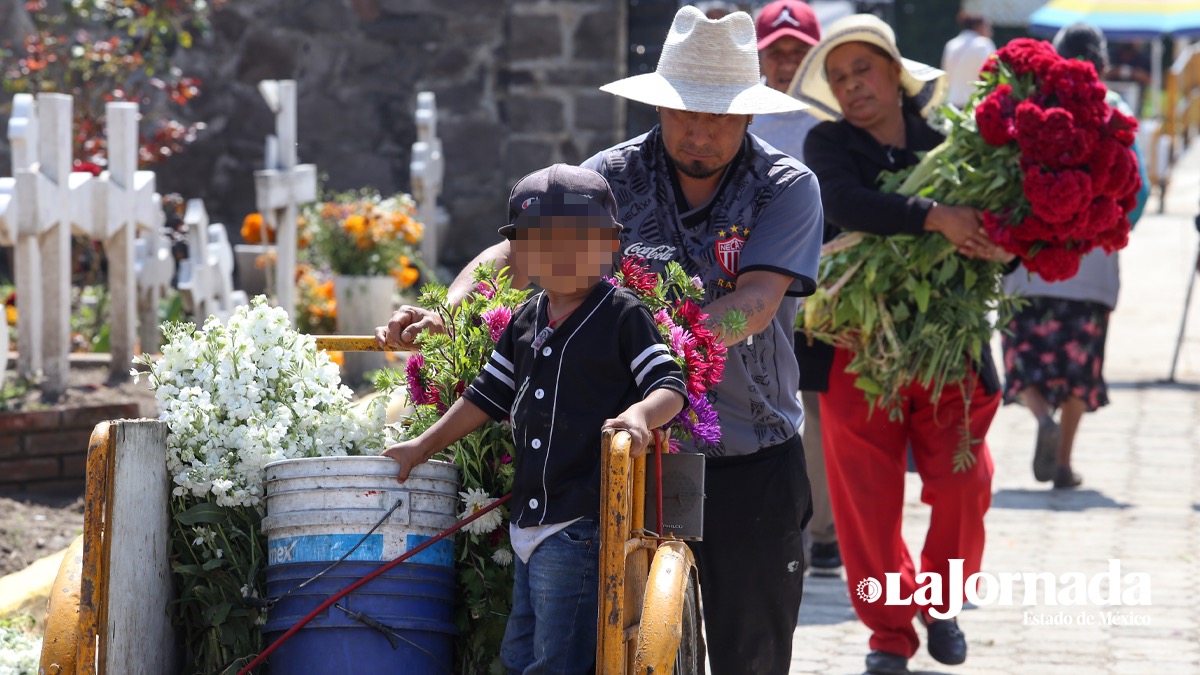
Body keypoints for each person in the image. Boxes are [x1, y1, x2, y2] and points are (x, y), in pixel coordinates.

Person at [378, 7, 825, 673]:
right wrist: (451, 311)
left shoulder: (786, 187)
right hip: (611, 459)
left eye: (719, 117)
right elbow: (512, 256)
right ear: (658, 108)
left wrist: (671, 347)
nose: (699, 133)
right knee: (603, 642)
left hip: (745, 449)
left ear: (750, 117)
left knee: (751, 649)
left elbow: (756, 303)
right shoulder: (609, 179)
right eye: (683, 114)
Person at [382, 164, 688, 674]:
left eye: (578, 240)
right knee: (520, 654)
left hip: (580, 521)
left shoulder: (622, 315)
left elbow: (669, 386)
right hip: (530, 518)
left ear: (609, 245)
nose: (560, 255)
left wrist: (638, 415)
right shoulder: (527, 318)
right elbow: (486, 395)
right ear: (520, 254)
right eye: (541, 242)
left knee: (557, 661)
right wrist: (421, 447)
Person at [791, 14, 1014, 675]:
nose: (852, 86)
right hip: (857, 345)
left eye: (863, 70)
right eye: (838, 78)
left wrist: (998, 243)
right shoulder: (827, 143)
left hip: (947, 342)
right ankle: (890, 633)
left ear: (894, 73)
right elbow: (848, 203)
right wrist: (933, 218)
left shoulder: (951, 143)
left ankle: (940, 598)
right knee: (866, 501)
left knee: (967, 482)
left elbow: (991, 234)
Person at [1003, 22, 1152, 490]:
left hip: (1029, 260)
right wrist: (1099, 230)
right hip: (1091, 267)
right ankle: (1063, 463)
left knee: (1022, 354)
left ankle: (1040, 416)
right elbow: (1138, 192)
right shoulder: (1116, 112)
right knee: (1077, 365)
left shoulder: (1028, 105)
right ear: (1102, 64)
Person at [751, 0, 842, 576]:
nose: (786, 62)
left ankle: (826, 531)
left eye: (796, 51)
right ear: (759, 57)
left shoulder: (831, 120)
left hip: (824, 284)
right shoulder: (743, 118)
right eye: (775, 52)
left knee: (818, 406)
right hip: (754, 281)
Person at [941, 11, 996, 108]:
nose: (990, 31)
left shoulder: (951, 45)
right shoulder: (984, 44)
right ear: (979, 26)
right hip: (976, 104)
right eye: (987, 26)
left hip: (952, 104)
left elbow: (946, 75)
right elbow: (993, 74)